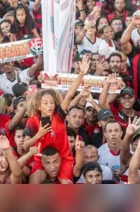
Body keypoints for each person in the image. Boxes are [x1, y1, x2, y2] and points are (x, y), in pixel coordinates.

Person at [23, 55, 90, 184]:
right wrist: (38, 135)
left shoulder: (59, 115)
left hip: (63, 157)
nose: (50, 105)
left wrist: (81, 73)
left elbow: (70, 94)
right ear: (38, 105)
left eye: (52, 102)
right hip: (41, 158)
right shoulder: (33, 120)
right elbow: (25, 146)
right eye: (46, 103)